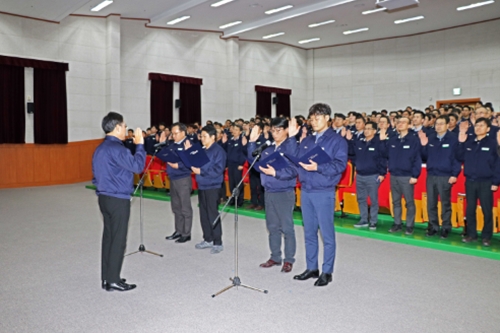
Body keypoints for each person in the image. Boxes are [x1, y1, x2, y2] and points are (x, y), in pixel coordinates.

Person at [289, 103, 348, 287]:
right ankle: (311, 267)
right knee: (309, 233)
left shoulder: (337, 141)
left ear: (327, 118)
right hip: (306, 190)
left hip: (323, 192)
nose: (314, 122)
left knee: (327, 235)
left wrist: (318, 167)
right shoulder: (307, 140)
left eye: (318, 118)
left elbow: (340, 165)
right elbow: (295, 158)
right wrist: (291, 138)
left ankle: (327, 271)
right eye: (312, 118)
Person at [92, 112, 145, 292]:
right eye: (124, 126)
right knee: (118, 240)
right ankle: (114, 280)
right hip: (117, 199)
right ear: (116, 128)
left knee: (109, 237)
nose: (126, 129)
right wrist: (140, 145)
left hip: (104, 198)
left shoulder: (99, 149)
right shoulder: (118, 149)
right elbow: (138, 166)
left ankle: (107, 278)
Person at [247, 118, 298, 273]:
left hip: (284, 193)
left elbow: (294, 170)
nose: (275, 134)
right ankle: (275, 256)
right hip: (269, 192)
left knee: (287, 228)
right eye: (273, 131)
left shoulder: (291, 148)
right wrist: (252, 142)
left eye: (279, 130)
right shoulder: (268, 149)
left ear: (286, 130)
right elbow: (254, 162)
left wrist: (275, 173)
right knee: (273, 227)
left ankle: (289, 260)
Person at [456, 118, 500, 247]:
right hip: (470, 181)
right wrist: (460, 142)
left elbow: (498, 164)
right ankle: (471, 234)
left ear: (488, 129)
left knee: (486, 210)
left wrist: (496, 181)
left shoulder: (493, 143)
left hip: (486, 182)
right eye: (476, 125)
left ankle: (486, 236)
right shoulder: (469, 142)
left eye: (482, 126)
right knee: (470, 209)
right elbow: (459, 156)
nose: (478, 128)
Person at [418, 115, 461, 239]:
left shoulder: (453, 139)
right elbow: (424, 156)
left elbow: (456, 159)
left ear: (448, 125)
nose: (438, 126)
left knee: (445, 203)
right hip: (431, 175)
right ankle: (433, 226)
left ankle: (446, 227)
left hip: (445, 175)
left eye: (442, 123)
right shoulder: (431, 138)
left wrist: (454, 174)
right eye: (437, 123)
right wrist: (423, 145)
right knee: (431, 203)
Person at [187, 125, 227, 254]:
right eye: (201, 136)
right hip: (202, 185)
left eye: (205, 136)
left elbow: (218, 170)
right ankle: (208, 238)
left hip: (213, 186)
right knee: (203, 214)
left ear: (213, 137)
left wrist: (201, 171)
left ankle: (217, 242)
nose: (202, 139)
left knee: (212, 213)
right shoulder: (202, 150)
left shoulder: (218, 151)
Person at [380, 116, 422, 235]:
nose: (400, 124)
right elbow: (384, 154)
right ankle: (397, 223)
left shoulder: (413, 139)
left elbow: (417, 159)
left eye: (404, 122)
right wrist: (383, 141)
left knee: (409, 202)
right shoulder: (393, 139)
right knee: (396, 201)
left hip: (407, 176)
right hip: (394, 175)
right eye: (399, 122)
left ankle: (409, 225)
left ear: (409, 125)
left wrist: (415, 175)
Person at [346, 121, 387, 230]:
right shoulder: (360, 142)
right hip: (360, 175)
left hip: (373, 175)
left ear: (374, 131)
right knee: (361, 199)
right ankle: (363, 219)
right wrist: (349, 141)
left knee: (373, 199)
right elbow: (351, 154)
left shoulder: (379, 142)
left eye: (369, 128)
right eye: (365, 128)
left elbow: (383, 158)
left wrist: (382, 173)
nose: (366, 130)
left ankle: (373, 221)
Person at [158, 123, 193, 243]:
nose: (173, 135)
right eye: (172, 133)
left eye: (176, 133)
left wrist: (179, 165)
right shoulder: (172, 145)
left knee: (185, 207)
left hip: (183, 179)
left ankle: (186, 233)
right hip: (172, 178)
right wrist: (162, 145)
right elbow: (165, 155)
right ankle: (178, 230)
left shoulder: (189, 144)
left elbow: (192, 162)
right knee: (176, 207)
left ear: (183, 132)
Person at [222, 124, 247, 207]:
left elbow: (243, 153)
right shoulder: (230, 140)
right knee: (231, 182)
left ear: (240, 132)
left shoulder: (241, 140)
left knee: (238, 182)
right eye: (234, 130)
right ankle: (232, 198)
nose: (235, 131)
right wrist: (224, 143)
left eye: (237, 130)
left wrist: (241, 163)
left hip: (237, 164)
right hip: (230, 164)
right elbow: (225, 151)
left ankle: (240, 200)